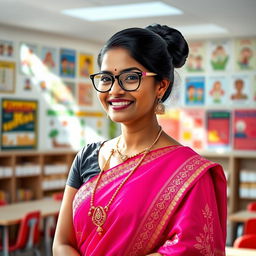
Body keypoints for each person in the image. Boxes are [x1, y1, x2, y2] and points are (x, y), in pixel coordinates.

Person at [53, 24, 227, 256]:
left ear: (161, 86)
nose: (115, 90)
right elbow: (62, 243)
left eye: (131, 77)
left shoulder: (190, 174)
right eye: (106, 78)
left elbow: (192, 249)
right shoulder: (87, 157)